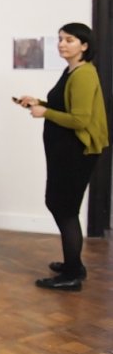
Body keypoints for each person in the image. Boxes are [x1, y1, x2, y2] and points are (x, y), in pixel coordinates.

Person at [16, 23, 109, 291]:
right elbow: (64, 108)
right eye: (60, 39)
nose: (62, 44)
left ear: (84, 45)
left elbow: (80, 120)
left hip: (75, 152)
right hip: (64, 151)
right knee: (58, 204)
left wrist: (45, 113)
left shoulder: (84, 74)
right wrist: (40, 103)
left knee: (65, 208)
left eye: (69, 40)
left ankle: (72, 274)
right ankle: (73, 264)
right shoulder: (71, 71)